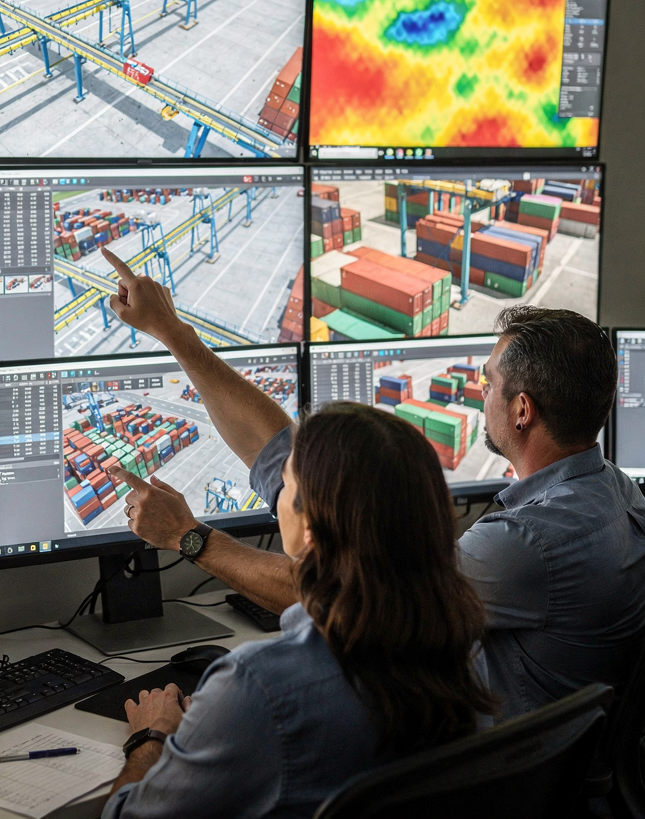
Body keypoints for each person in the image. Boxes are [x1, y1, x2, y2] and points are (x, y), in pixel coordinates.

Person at [100, 246, 645, 719]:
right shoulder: (615, 492)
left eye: (489, 384)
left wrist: (189, 537)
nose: (481, 396)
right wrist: (174, 334)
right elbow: (283, 458)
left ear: (522, 410)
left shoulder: (524, 547)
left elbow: (344, 597)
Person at [101, 401, 495, 819]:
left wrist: (152, 735)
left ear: (308, 527)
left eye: (284, 486)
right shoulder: (468, 655)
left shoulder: (257, 685)